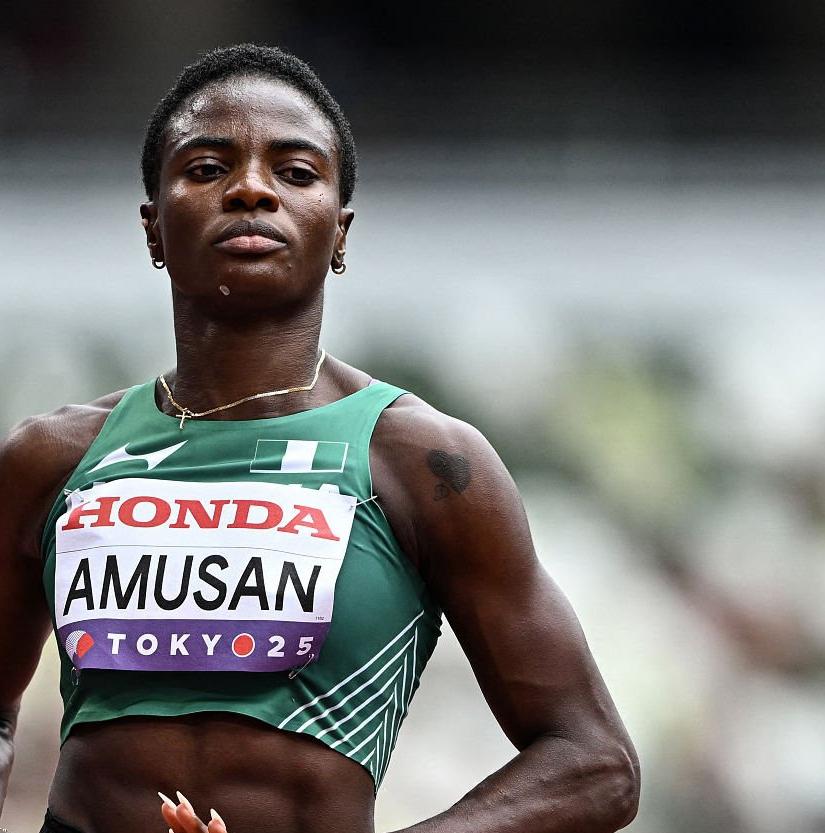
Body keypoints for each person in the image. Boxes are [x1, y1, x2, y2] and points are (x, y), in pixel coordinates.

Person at [0, 44, 639, 833]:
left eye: (295, 172)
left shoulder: (422, 462)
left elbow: (595, 762)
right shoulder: (51, 459)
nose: (250, 189)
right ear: (153, 227)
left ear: (339, 232)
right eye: (207, 168)